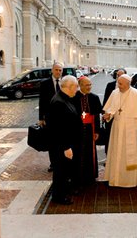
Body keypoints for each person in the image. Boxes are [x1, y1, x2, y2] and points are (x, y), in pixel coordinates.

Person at [102, 74, 137, 187]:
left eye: (121, 84)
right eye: (118, 83)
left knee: (131, 154)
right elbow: (110, 110)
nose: (119, 86)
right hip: (117, 128)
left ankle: (132, 180)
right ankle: (115, 179)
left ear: (129, 83)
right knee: (117, 152)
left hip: (133, 128)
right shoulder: (114, 93)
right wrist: (108, 116)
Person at [46, 75, 81, 205]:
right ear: (70, 87)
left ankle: (64, 191)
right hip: (61, 146)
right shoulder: (58, 102)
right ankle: (59, 197)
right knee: (60, 172)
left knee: (65, 171)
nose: (77, 90)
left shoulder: (65, 98)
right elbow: (57, 129)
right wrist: (66, 147)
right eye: (76, 87)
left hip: (66, 144)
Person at [72, 76, 102, 189]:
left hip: (90, 129)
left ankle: (90, 176)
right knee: (78, 152)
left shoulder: (94, 98)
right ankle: (78, 176)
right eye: (86, 85)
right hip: (78, 129)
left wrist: (97, 131)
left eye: (90, 85)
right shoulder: (74, 97)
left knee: (90, 152)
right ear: (80, 85)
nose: (89, 87)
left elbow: (97, 116)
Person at [38, 62, 63, 172]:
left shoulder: (64, 83)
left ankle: (62, 161)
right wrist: (41, 118)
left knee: (63, 141)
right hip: (50, 118)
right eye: (56, 70)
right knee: (52, 142)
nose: (58, 72)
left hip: (63, 118)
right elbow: (41, 102)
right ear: (52, 70)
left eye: (60, 70)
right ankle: (53, 163)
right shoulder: (45, 83)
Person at [101, 68, 126, 153]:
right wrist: (104, 113)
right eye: (117, 75)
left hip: (122, 118)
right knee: (109, 138)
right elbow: (105, 100)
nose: (119, 77)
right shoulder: (110, 85)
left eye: (121, 75)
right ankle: (108, 158)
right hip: (110, 117)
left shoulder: (128, 88)